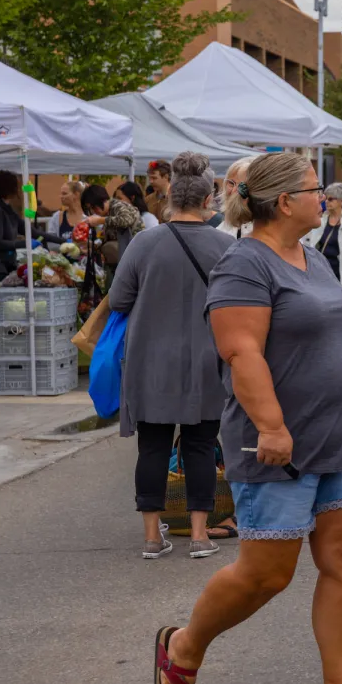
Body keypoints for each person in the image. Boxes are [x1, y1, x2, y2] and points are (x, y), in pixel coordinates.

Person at [154, 152, 342, 684]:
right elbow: (241, 353)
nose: (326, 197)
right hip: (276, 445)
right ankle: (185, 646)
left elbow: (338, 340)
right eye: (314, 190)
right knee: (266, 574)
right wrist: (273, 427)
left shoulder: (315, 259)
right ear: (285, 202)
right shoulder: (244, 265)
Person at [107, 153, 234, 560]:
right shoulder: (225, 246)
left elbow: (119, 299)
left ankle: (151, 536)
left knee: (153, 446)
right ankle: (199, 535)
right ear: (205, 201)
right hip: (206, 358)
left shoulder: (145, 242)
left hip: (151, 359)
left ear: (171, 199)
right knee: (200, 444)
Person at [302, 182, 342, 289]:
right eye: (326, 198)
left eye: (331, 199)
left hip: (341, 277)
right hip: (321, 275)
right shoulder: (321, 220)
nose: (326, 201)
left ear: (341, 201)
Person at [0, 171, 25, 281]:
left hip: (5, 267)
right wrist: (24, 244)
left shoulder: (8, 210)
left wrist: (63, 241)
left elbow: (32, 231)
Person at [216, 157, 256, 238]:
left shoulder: (261, 229)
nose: (235, 190)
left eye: (243, 186)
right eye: (231, 183)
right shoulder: (222, 227)